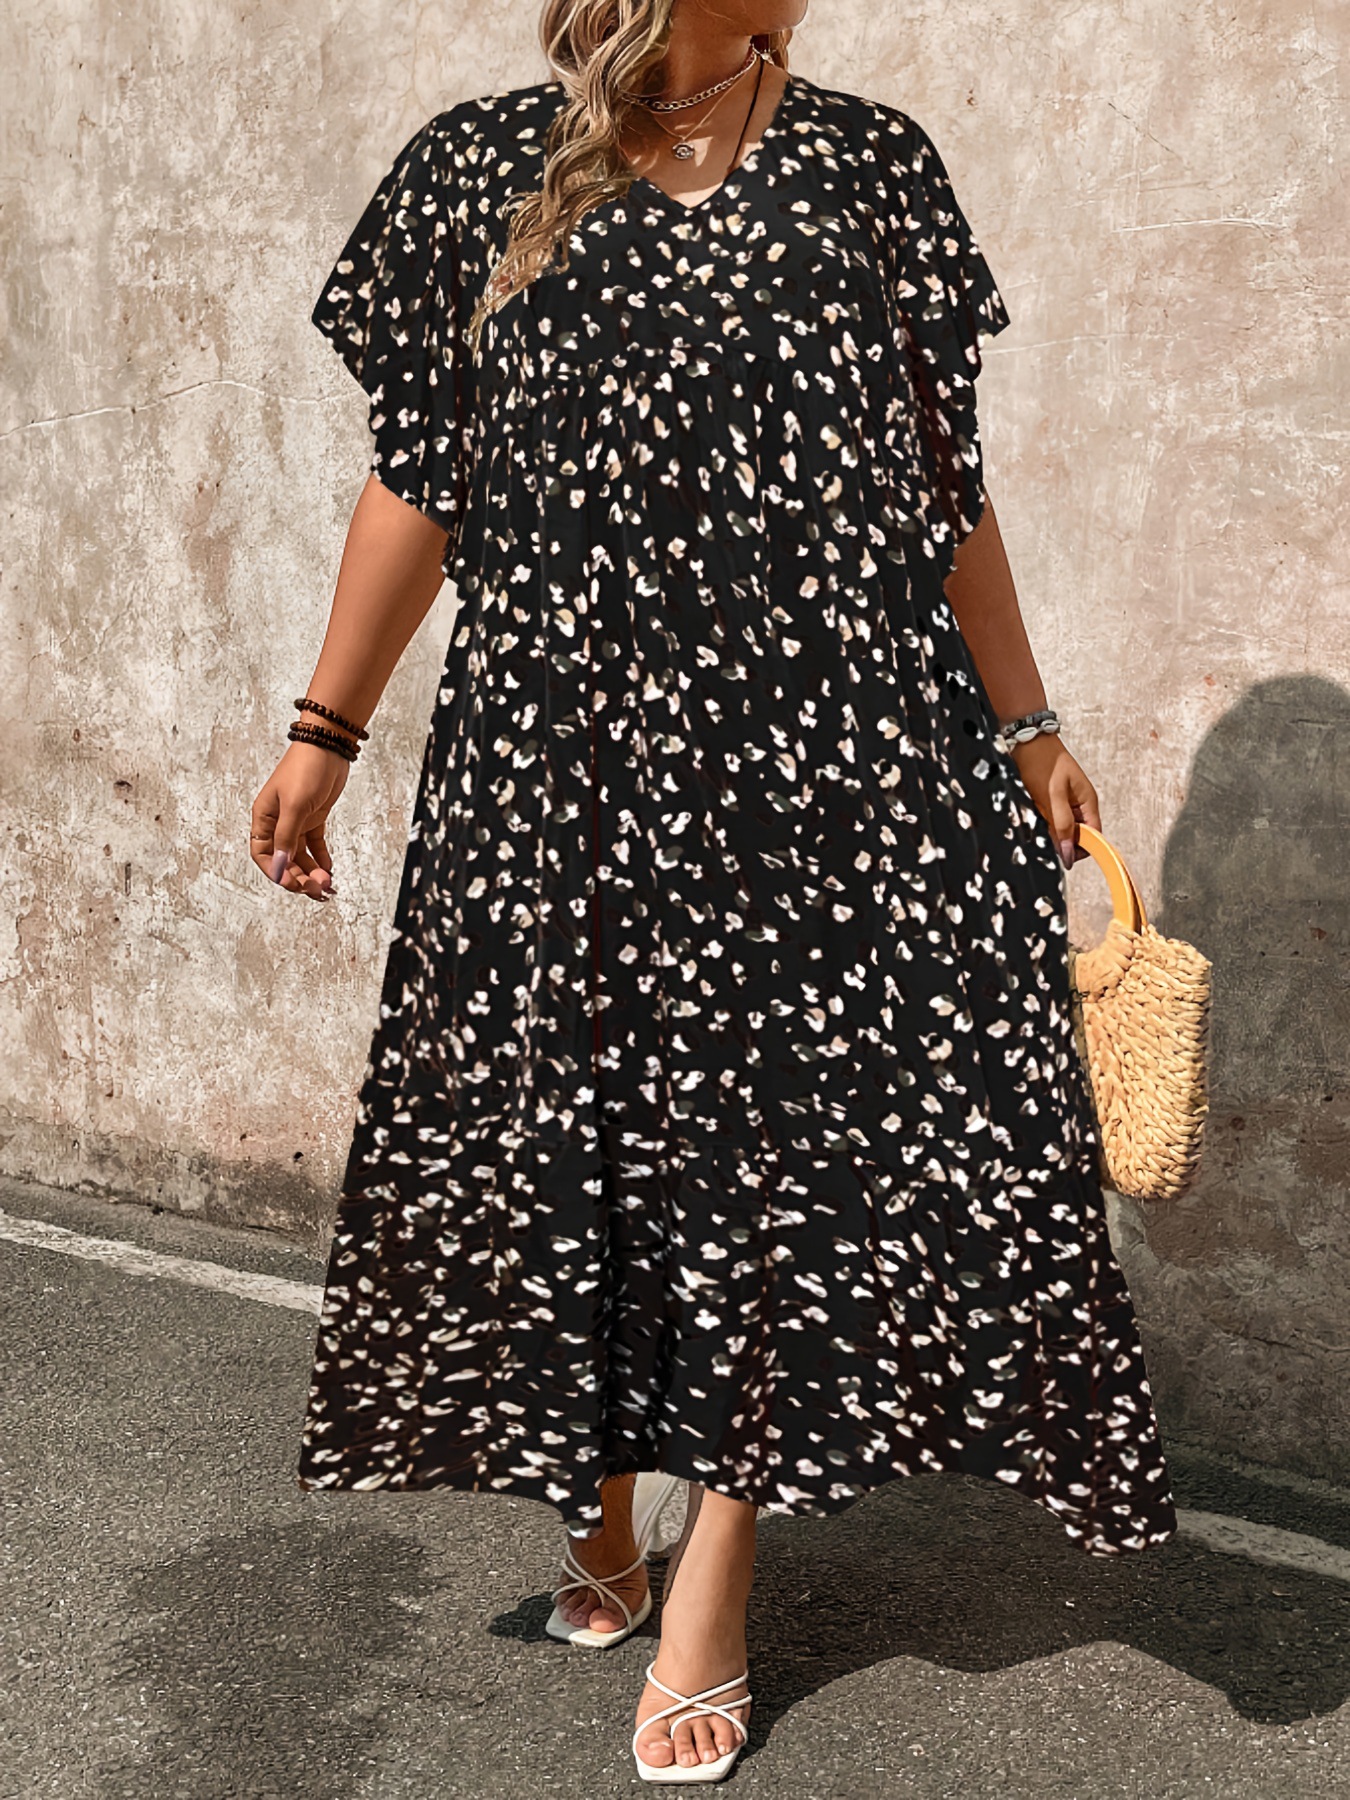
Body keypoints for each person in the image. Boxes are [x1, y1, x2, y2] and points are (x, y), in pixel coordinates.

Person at [251, 3, 1179, 1782]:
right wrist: (325, 728)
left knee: (783, 1162)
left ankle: (711, 1591)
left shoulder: (867, 166)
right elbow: (421, 479)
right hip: (561, 770)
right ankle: (600, 1511)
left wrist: (1027, 722)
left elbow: (939, 484)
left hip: (826, 769)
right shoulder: (476, 170)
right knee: (575, 1133)